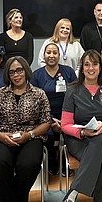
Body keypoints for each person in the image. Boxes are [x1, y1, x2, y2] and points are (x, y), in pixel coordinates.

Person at [0, 56, 52, 202]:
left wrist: (29, 135)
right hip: (3, 137)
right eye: (12, 71)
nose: (16, 75)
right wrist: (0, 136)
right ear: (7, 74)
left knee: (29, 164)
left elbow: (46, 122)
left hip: (30, 137)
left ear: (26, 70)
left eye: (19, 70)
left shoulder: (39, 94)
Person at [57, 50, 102, 202]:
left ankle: (72, 194)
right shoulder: (72, 90)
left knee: (100, 140)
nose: (91, 68)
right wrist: (83, 132)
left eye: (94, 64)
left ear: (100, 67)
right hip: (79, 138)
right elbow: (65, 125)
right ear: (82, 68)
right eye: (87, 64)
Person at [31, 43, 77, 175]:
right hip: (45, 117)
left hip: (67, 115)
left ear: (59, 56)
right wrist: (51, 121)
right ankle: (52, 159)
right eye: (48, 53)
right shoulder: (37, 75)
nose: (51, 56)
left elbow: (76, 96)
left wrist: (65, 120)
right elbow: (35, 102)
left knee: (70, 133)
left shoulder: (68, 72)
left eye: (54, 53)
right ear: (44, 55)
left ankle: (66, 159)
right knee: (49, 135)